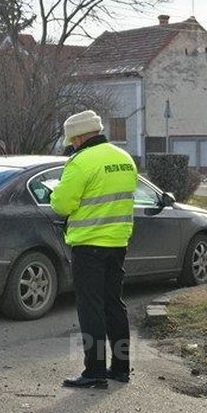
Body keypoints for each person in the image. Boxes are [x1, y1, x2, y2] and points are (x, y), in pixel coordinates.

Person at [50, 110, 138, 388]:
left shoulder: (81, 162)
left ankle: (95, 371)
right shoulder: (124, 158)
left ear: (79, 136)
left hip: (89, 243)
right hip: (118, 242)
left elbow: (61, 205)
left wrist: (54, 191)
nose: (71, 145)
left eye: (72, 140)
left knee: (91, 308)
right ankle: (121, 368)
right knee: (114, 304)